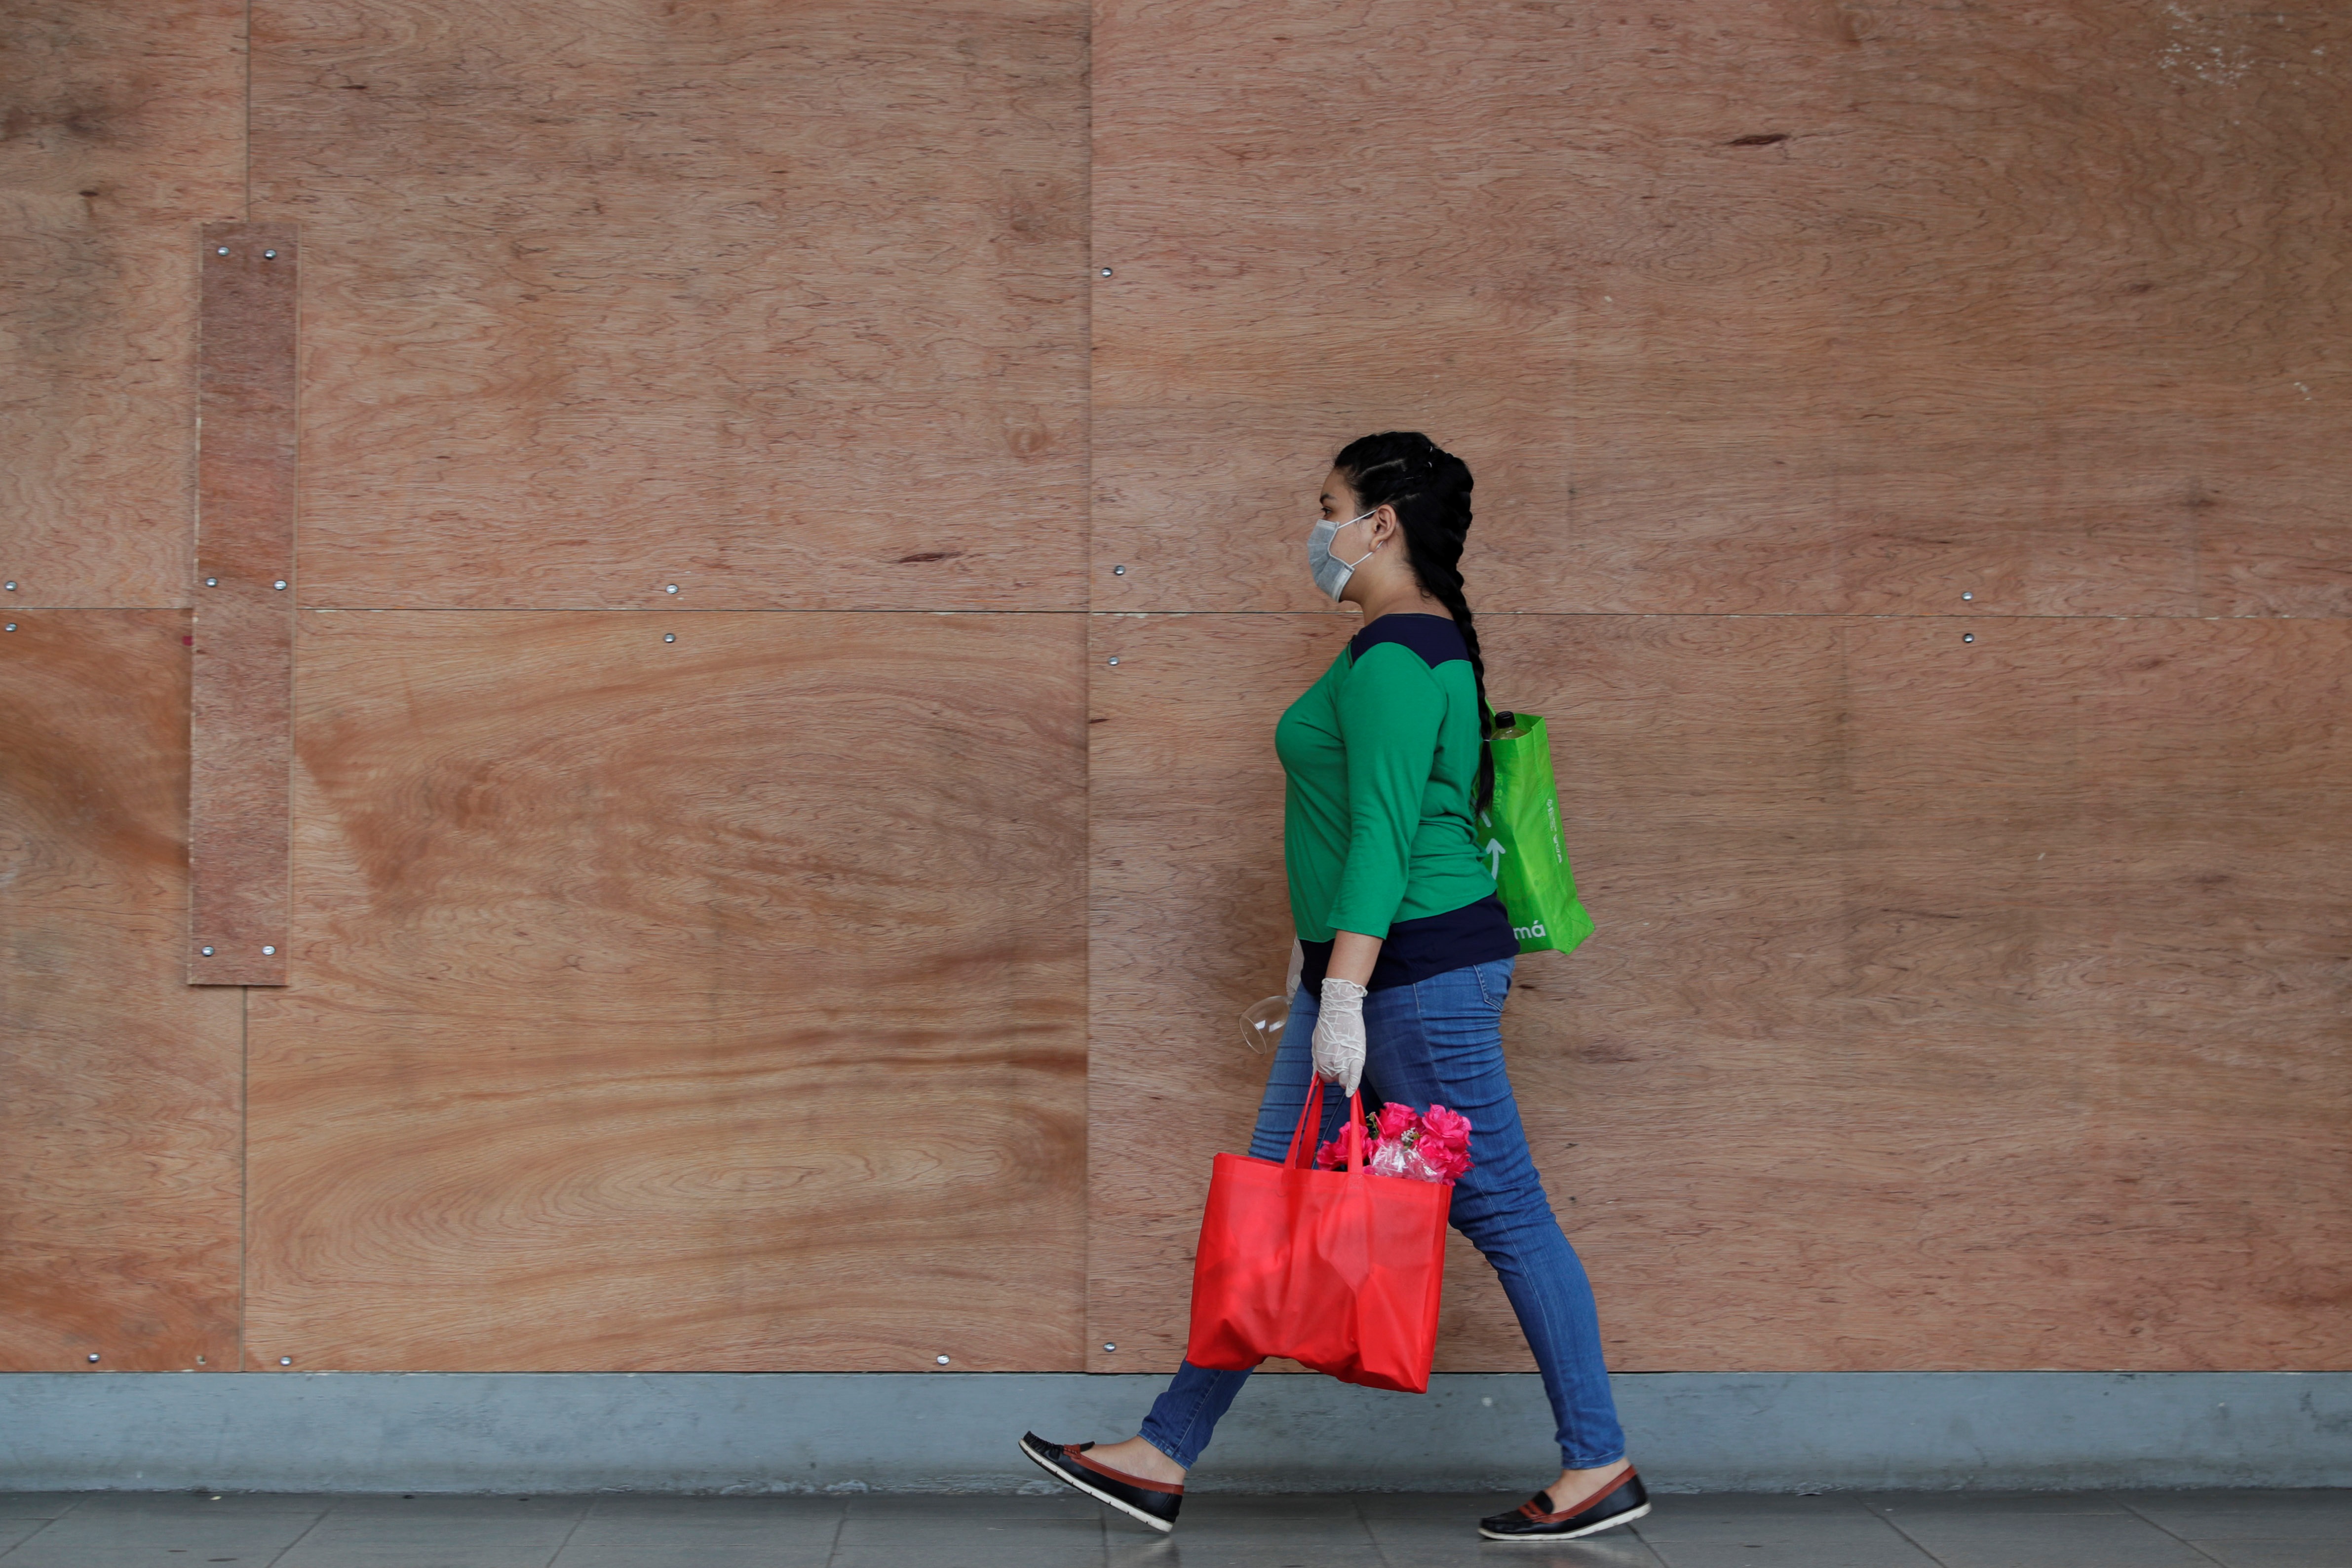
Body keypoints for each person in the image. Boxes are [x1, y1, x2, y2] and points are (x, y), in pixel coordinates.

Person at [1020, 432, 1646, 1542]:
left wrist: (1347, 991)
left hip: (1416, 974)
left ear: (1382, 521)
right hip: (1364, 969)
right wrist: (1314, 973)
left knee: (1505, 1211)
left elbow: (1383, 836)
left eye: (1328, 506)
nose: (1318, 530)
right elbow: (1346, 833)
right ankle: (1164, 1448)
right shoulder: (1387, 646)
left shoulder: (1403, 653)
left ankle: (1598, 1458)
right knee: (1272, 1203)